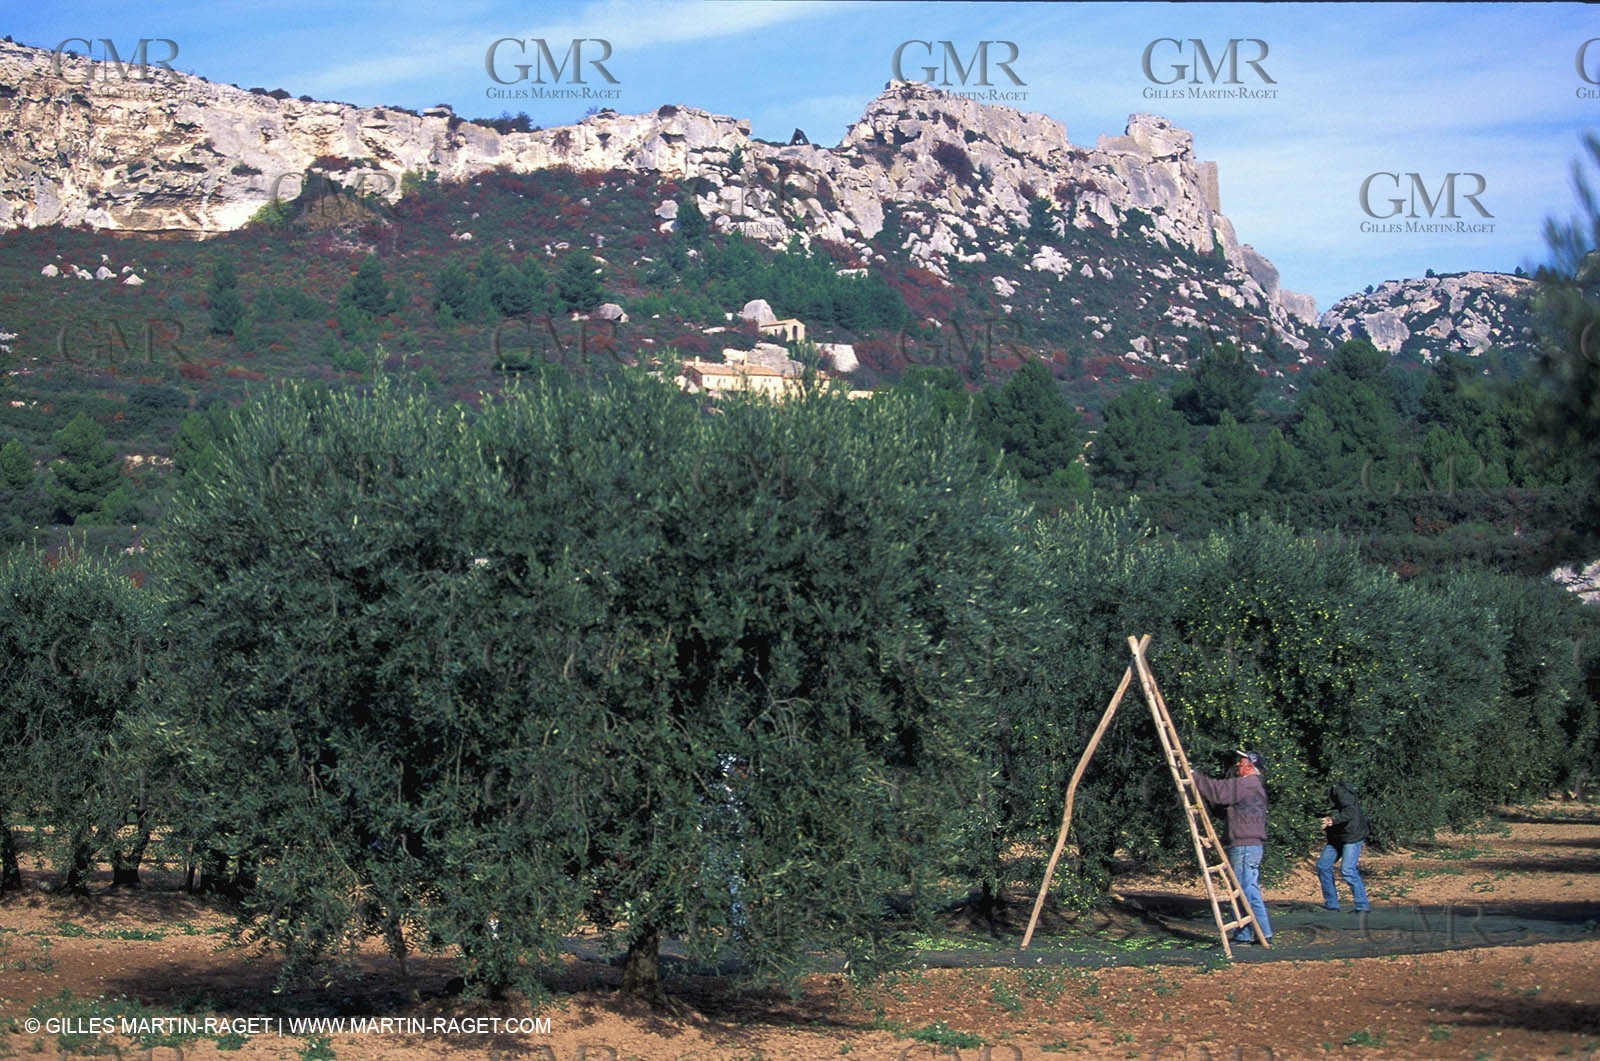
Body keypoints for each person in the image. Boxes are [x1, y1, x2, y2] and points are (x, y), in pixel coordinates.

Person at [1193, 749, 1272, 945]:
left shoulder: (1248, 784)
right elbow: (1222, 805)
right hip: (1247, 845)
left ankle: (1264, 933)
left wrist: (1194, 776)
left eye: (1242, 763)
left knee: (1247, 890)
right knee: (1243, 890)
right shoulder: (1252, 786)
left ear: (1250, 768)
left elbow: (1220, 792)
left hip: (1245, 846)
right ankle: (1244, 934)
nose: (1238, 765)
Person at [1318, 781, 1371, 912]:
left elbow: (1350, 812)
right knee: (1323, 866)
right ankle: (1332, 904)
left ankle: (1362, 906)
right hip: (1337, 837)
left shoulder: (1340, 791)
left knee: (1348, 870)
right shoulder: (1323, 797)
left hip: (1352, 836)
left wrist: (1332, 820)